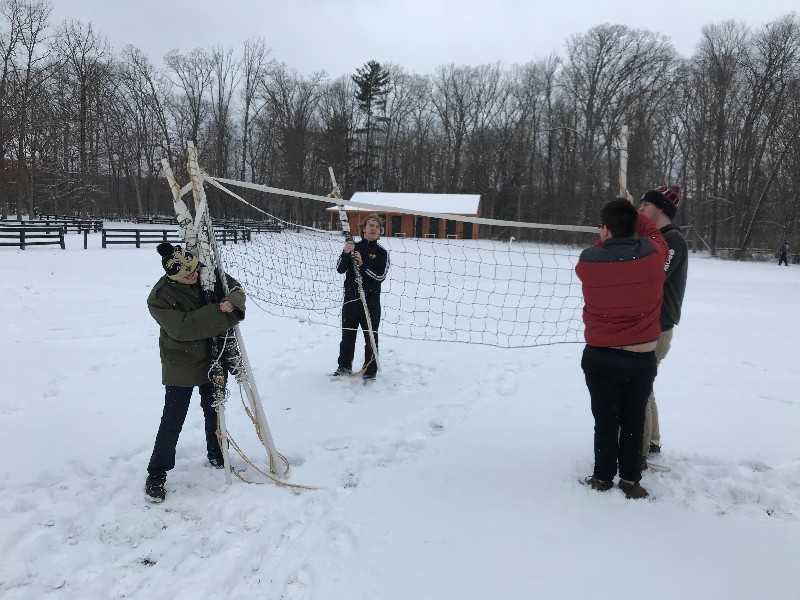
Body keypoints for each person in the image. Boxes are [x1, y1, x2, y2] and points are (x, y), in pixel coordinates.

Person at [576, 198, 667, 499]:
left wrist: (615, 222)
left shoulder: (588, 261)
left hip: (600, 357)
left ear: (605, 229)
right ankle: (630, 481)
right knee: (633, 420)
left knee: (605, 421)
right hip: (640, 359)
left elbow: (602, 247)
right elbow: (654, 233)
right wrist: (636, 216)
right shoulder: (654, 254)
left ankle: (602, 478)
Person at [145, 243, 246, 503]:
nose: (195, 276)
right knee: (173, 418)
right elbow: (183, 328)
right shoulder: (159, 297)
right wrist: (219, 313)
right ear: (173, 276)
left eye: (195, 270)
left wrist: (232, 302)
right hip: (181, 362)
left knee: (214, 409)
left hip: (214, 355)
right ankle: (157, 473)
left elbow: (234, 288)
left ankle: (216, 453)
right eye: (187, 275)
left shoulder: (206, 272)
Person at [637, 186, 688, 463]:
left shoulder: (673, 240)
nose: (641, 209)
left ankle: (638, 451)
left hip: (658, 329)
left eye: (646, 204)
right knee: (645, 385)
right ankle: (652, 441)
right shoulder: (659, 238)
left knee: (639, 387)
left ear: (662, 209)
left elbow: (654, 276)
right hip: (650, 326)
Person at [332, 213, 389, 381]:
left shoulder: (382, 253)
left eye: (377, 227)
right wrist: (345, 253)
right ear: (363, 228)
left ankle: (370, 370)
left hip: (371, 302)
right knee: (348, 335)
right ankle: (344, 366)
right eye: (370, 225)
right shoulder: (353, 247)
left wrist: (362, 266)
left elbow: (380, 276)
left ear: (380, 232)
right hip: (350, 299)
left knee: (370, 336)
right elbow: (340, 269)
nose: (373, 228)